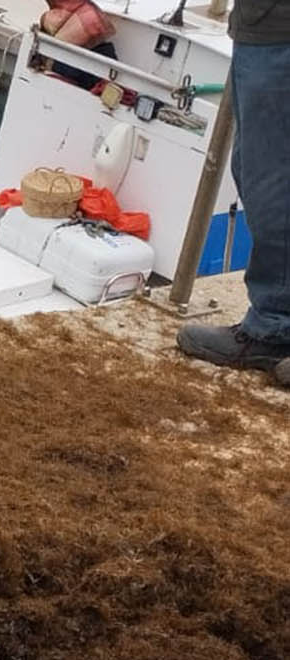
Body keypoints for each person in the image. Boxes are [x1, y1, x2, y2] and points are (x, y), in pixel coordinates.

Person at [176, 0, 290, 380]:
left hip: (278, 32)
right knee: (259, 172)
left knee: (273, 181)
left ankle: (274, 328)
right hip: (264, 28)